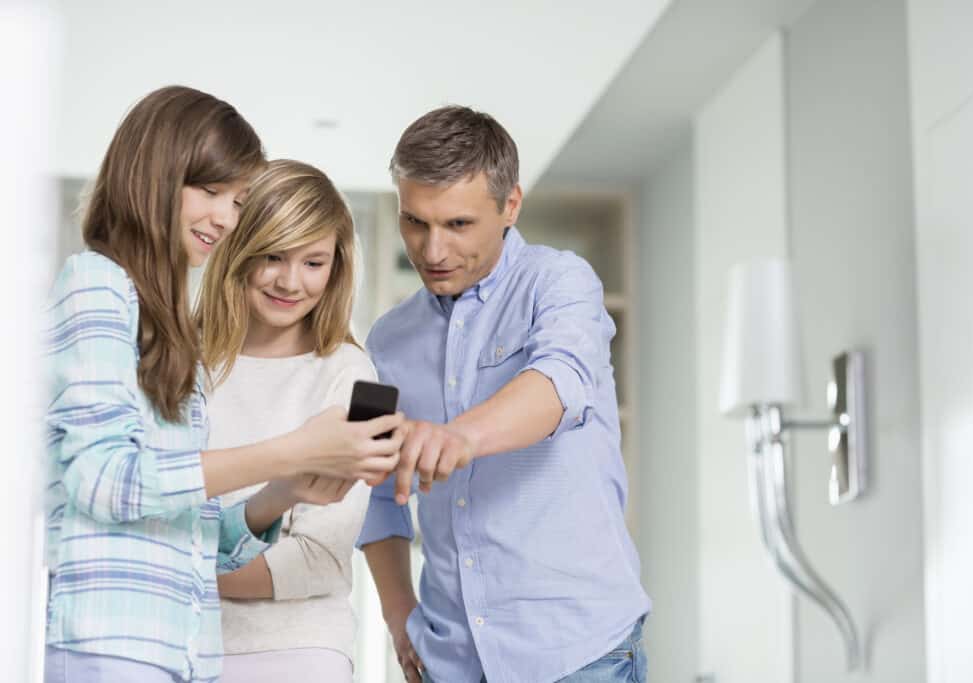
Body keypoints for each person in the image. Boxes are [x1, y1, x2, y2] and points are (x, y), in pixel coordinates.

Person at [44, 87, 403, 683]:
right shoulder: (98, 287)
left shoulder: (157, 328)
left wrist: (283, 488)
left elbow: (192, 532)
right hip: (118, 643)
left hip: (182, 651)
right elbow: (105, 481)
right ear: (154, 177)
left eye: (234, 200)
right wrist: (290, 451)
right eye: (210, 192)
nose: (224, 217)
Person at [357, 106, 650, 683]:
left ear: (510, 206)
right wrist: (398, 617)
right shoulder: (382, 341)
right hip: (449, 660)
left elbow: (562, 383)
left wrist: (459, 435)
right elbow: (374, 493)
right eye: (414, 222)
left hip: (578, 654)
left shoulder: (562, 282)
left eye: (458, 225)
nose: (432, 251)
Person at [196, 159, 375, 683]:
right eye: (272, 255)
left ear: (337, 267)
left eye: (314, 262)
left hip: (301, 650)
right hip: (178, 643)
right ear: (237, 250)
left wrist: (181, 569)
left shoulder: (356, 377)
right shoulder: (179, 361)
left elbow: (320, 558)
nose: (290, 282)